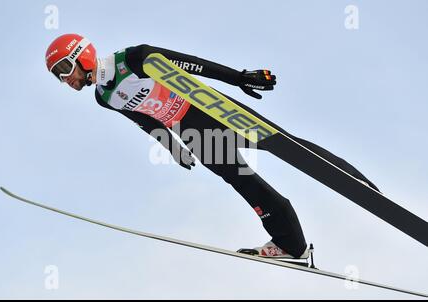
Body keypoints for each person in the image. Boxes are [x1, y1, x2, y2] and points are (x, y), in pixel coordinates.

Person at [45, 33, 379, 260]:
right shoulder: (103, 97)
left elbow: (192, 64)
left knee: (286, 145)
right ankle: (291, 244)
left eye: (64, 69)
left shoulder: (134, 58)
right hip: (193, 133)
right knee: (244, 182)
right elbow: (145, 119)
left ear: (81, 55)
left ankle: (358, 182)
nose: (65, 79)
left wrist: (239, 78)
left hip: (208, 110)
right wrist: (172, 146)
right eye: (57, 76)